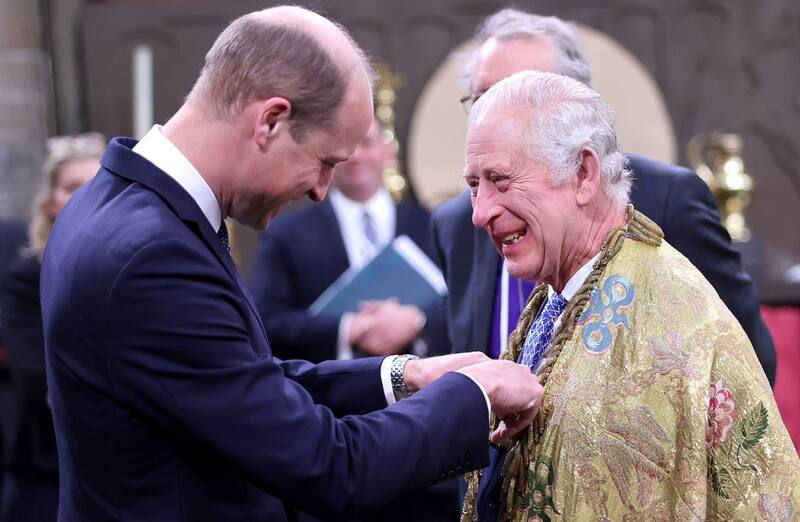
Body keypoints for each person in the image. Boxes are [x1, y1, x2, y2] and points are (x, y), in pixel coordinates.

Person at [39, 7, 544, 522]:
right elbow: (331, 467)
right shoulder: (152, 256)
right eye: (325, 162)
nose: (321, 191)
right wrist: (473, 395)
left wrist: (404, 375)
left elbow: (239, 382)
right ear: (271, 121)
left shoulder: (113, 203)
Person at [458, 70, 800, 522]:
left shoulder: (673, 318)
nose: (481, 212)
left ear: (583, 174)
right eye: (474, 186)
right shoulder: (560, 291)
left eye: (501, 180)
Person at [432, 8, 777, 385]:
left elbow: (744, 366)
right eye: (484, 97)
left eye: (525, 94)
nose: (482, 212)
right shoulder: (456, 224)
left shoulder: (669, 201)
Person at [250, 116, 449, 365]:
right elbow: (266, 320)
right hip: (329, 383)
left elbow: (467, 306)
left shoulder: (433, 225)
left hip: (425, 379)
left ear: (388, 150)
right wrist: (348, 328)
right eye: (346, 147)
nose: (356, 156)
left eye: (367, 143)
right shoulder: (286, 234)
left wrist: (417, 320)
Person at [0, 133, 103, 522]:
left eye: (95, 185)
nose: (84, 196)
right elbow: (35, 373)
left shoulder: (126, 265)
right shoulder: (28, 277)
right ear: (50, 203)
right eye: (72, 187)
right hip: (48, 463)